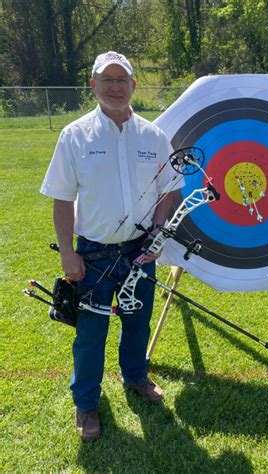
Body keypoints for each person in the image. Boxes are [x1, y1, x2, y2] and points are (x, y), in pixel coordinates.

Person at [40, 51, 183, 441]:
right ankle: (86, 403)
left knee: (137, 321)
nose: (116, 87)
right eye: (108, 80)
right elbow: (61, 198)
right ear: (94, 85)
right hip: (93, 253)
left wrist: (157, 231)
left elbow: (170, 189)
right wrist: (68, 253)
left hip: (140, 251)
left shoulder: (153, 136)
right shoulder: (75, 135)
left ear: (134, 85)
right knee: (91, 332)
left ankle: (136, 376)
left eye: (123, 79)